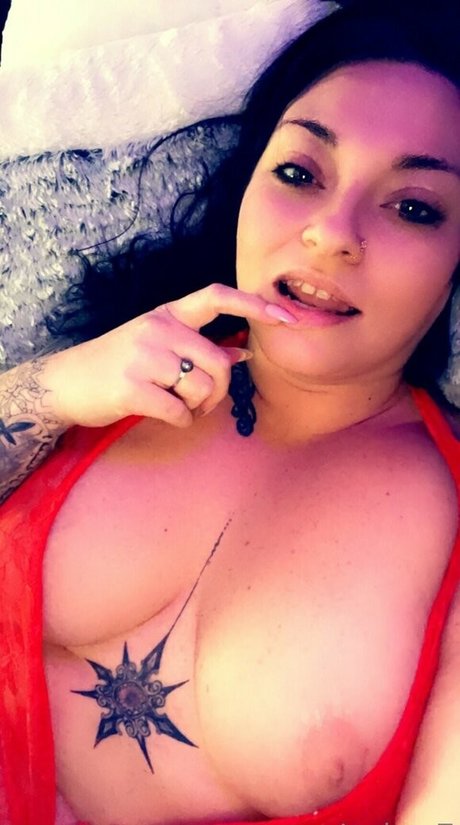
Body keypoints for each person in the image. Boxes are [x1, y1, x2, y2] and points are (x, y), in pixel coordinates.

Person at [1, 0, 460, 823]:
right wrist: (56, 386)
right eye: (300, 173)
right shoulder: (113, 364)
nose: (331, 234)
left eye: (415, 206)